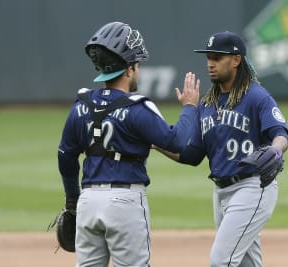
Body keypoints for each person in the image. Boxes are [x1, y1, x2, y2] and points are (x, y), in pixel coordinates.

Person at [57, 21, 200, 267]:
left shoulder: (80, 106)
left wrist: (72, 202)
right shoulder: (137, 107)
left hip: (88, 203)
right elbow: (176, 142)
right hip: (125, 202)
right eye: (138, 64)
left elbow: (65, 157)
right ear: (129, 69)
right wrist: (189, 107)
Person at [154, 31, 288, 266]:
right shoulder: (206, 104)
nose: (210, 63)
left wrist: (275, 150)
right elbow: (191, 155)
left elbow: (280, 133)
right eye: (208, 57)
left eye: (217, 57)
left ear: (236, 60)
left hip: (252, 187)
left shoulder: (257, 96)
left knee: (221, 260)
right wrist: (154, 142)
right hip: (221, 193)